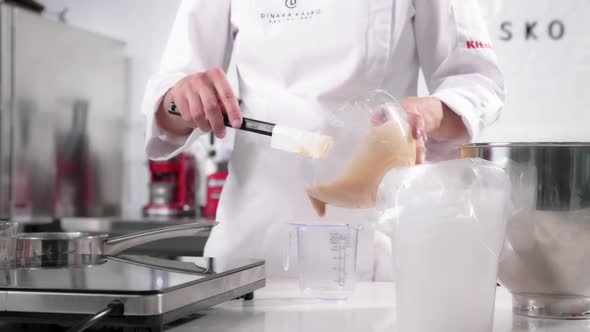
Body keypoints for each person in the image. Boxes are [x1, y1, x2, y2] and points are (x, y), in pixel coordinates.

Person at [142, 0, 505, 280]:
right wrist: (183, 98)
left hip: (374, 246)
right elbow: (168, 99)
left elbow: (476, 82)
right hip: (255, 245)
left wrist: (427, 114)